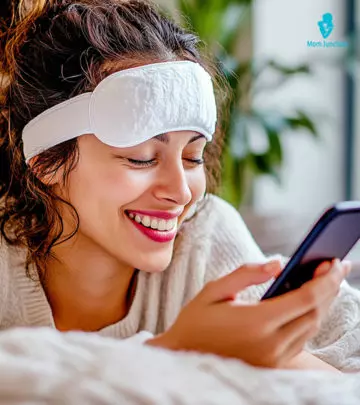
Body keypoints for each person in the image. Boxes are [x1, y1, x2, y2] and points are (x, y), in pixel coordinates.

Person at [0, 0, 359, 373]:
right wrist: (178, 351)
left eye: (193, 158)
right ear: (45, 161)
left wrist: (274, 353)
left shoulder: (204, 237)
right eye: (142, 158)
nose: (182, 192)